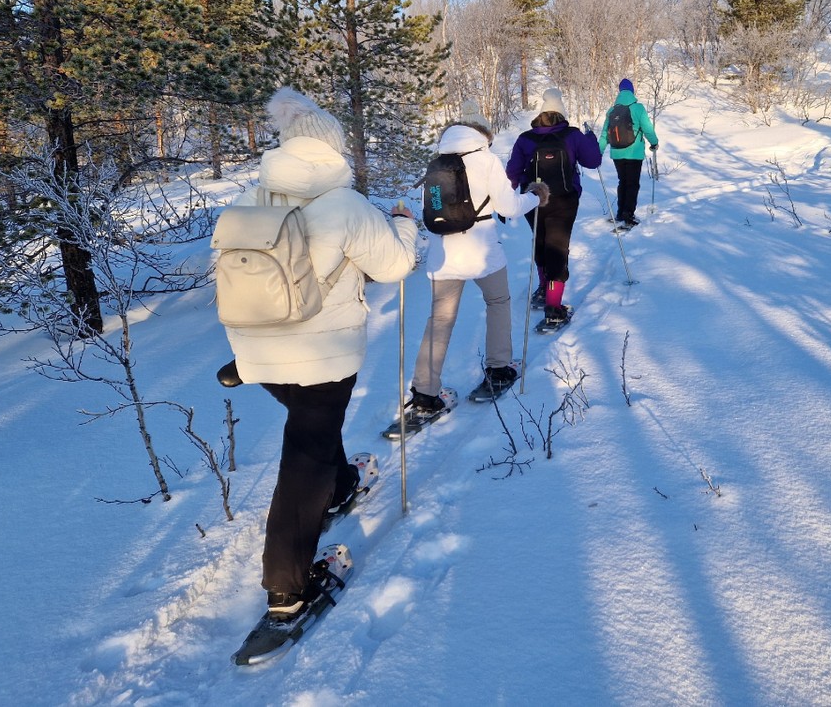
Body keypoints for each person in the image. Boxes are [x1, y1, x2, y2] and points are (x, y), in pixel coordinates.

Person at [217, 86, 418, 619]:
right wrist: (403, 223)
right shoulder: (345, 205)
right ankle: (287, 588)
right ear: (333, 151)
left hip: (255, 354)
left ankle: (342, 484)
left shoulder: (247, 199)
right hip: (322, 358)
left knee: (312, 427)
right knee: (303, 455)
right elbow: (395, 267)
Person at [410, 106, 549, 412]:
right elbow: (510, 207)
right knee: (498, 302)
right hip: (483, 251)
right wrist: (535, 196)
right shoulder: (486, 160)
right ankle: (499, 368)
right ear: (482, 134)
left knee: (440, 320)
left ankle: (424, 391)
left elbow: (430, 212)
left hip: (443, 255)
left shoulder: (436, 163)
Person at [506, 87, 602, 328]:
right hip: (564, 200)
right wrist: (591, 138)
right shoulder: (572, 135)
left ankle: (542, 288)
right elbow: (593, 161)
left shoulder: (526, 138)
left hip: (533, 200)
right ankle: (554, 308)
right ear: (562, 113)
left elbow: (512, 173)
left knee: (541, 241)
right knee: (557, 249)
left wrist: (506, 199)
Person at [598, 78, 658, 228]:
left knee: (622, 182)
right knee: (632, 184)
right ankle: (628, 214)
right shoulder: (638, 108)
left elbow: (605, 134)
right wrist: (654, 143)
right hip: (634, 153)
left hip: (617, 153)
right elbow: (647, 129)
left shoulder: (611, 111)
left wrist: (599, 151)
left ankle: (620, 212)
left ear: (620, 91)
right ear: (632, 91)